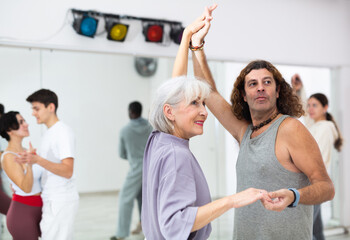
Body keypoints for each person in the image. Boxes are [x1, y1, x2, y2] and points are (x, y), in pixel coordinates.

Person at [171, 6, 335, 239]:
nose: (260, 87)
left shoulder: (290, 128)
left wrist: (294, 195)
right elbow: (207, 91)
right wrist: (197, 45)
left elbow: (326, 187)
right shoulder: (245, 132)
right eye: (252, 83)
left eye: (267, 82)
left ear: (278, 92)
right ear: (244, 95)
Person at [142, 7, 271, 239]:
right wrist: (232, 200)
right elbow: (173, 225)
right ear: (169, 112)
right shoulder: (174, 155)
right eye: (195, 103)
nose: (204, 112)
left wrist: (188, 40)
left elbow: (175, 89)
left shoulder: (159, 140)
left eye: (203, 103)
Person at [16, 89, 79, 240]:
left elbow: (67, 170)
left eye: (36, 109)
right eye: (32, 109)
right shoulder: (48, 133)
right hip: (51, 198)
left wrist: (37, 160)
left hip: (60, 200)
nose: (33, 113)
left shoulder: (63, 132)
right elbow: (48, 167)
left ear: (51, 107)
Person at [292, 74, 343, 240]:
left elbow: (315, 154)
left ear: (325, 107)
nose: (311, 108)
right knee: (316, 229)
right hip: (314, 182)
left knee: (305, 230)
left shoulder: (325, 127)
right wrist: (300, 90)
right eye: (309, 105)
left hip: (313, 182)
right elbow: (306, 115)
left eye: (315, 105)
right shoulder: (315, 125)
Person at [110, 101, 153, 240]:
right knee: (143, 198)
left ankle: (121, 234)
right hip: (151, 167)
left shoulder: (125, 130)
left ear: (130, 112)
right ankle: (143, 225)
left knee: (124, 199)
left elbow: (121, 154)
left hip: (135, 169)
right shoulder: (150, 127)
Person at [0, 111, 43, 240]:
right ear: (9, 130)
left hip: (41, 209)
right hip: (22, 213)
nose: (26, 124)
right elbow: (26, 188)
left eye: (24, 121)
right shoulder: (8, 157)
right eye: (20, 122)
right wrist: (29, 164)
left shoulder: (27, 152)